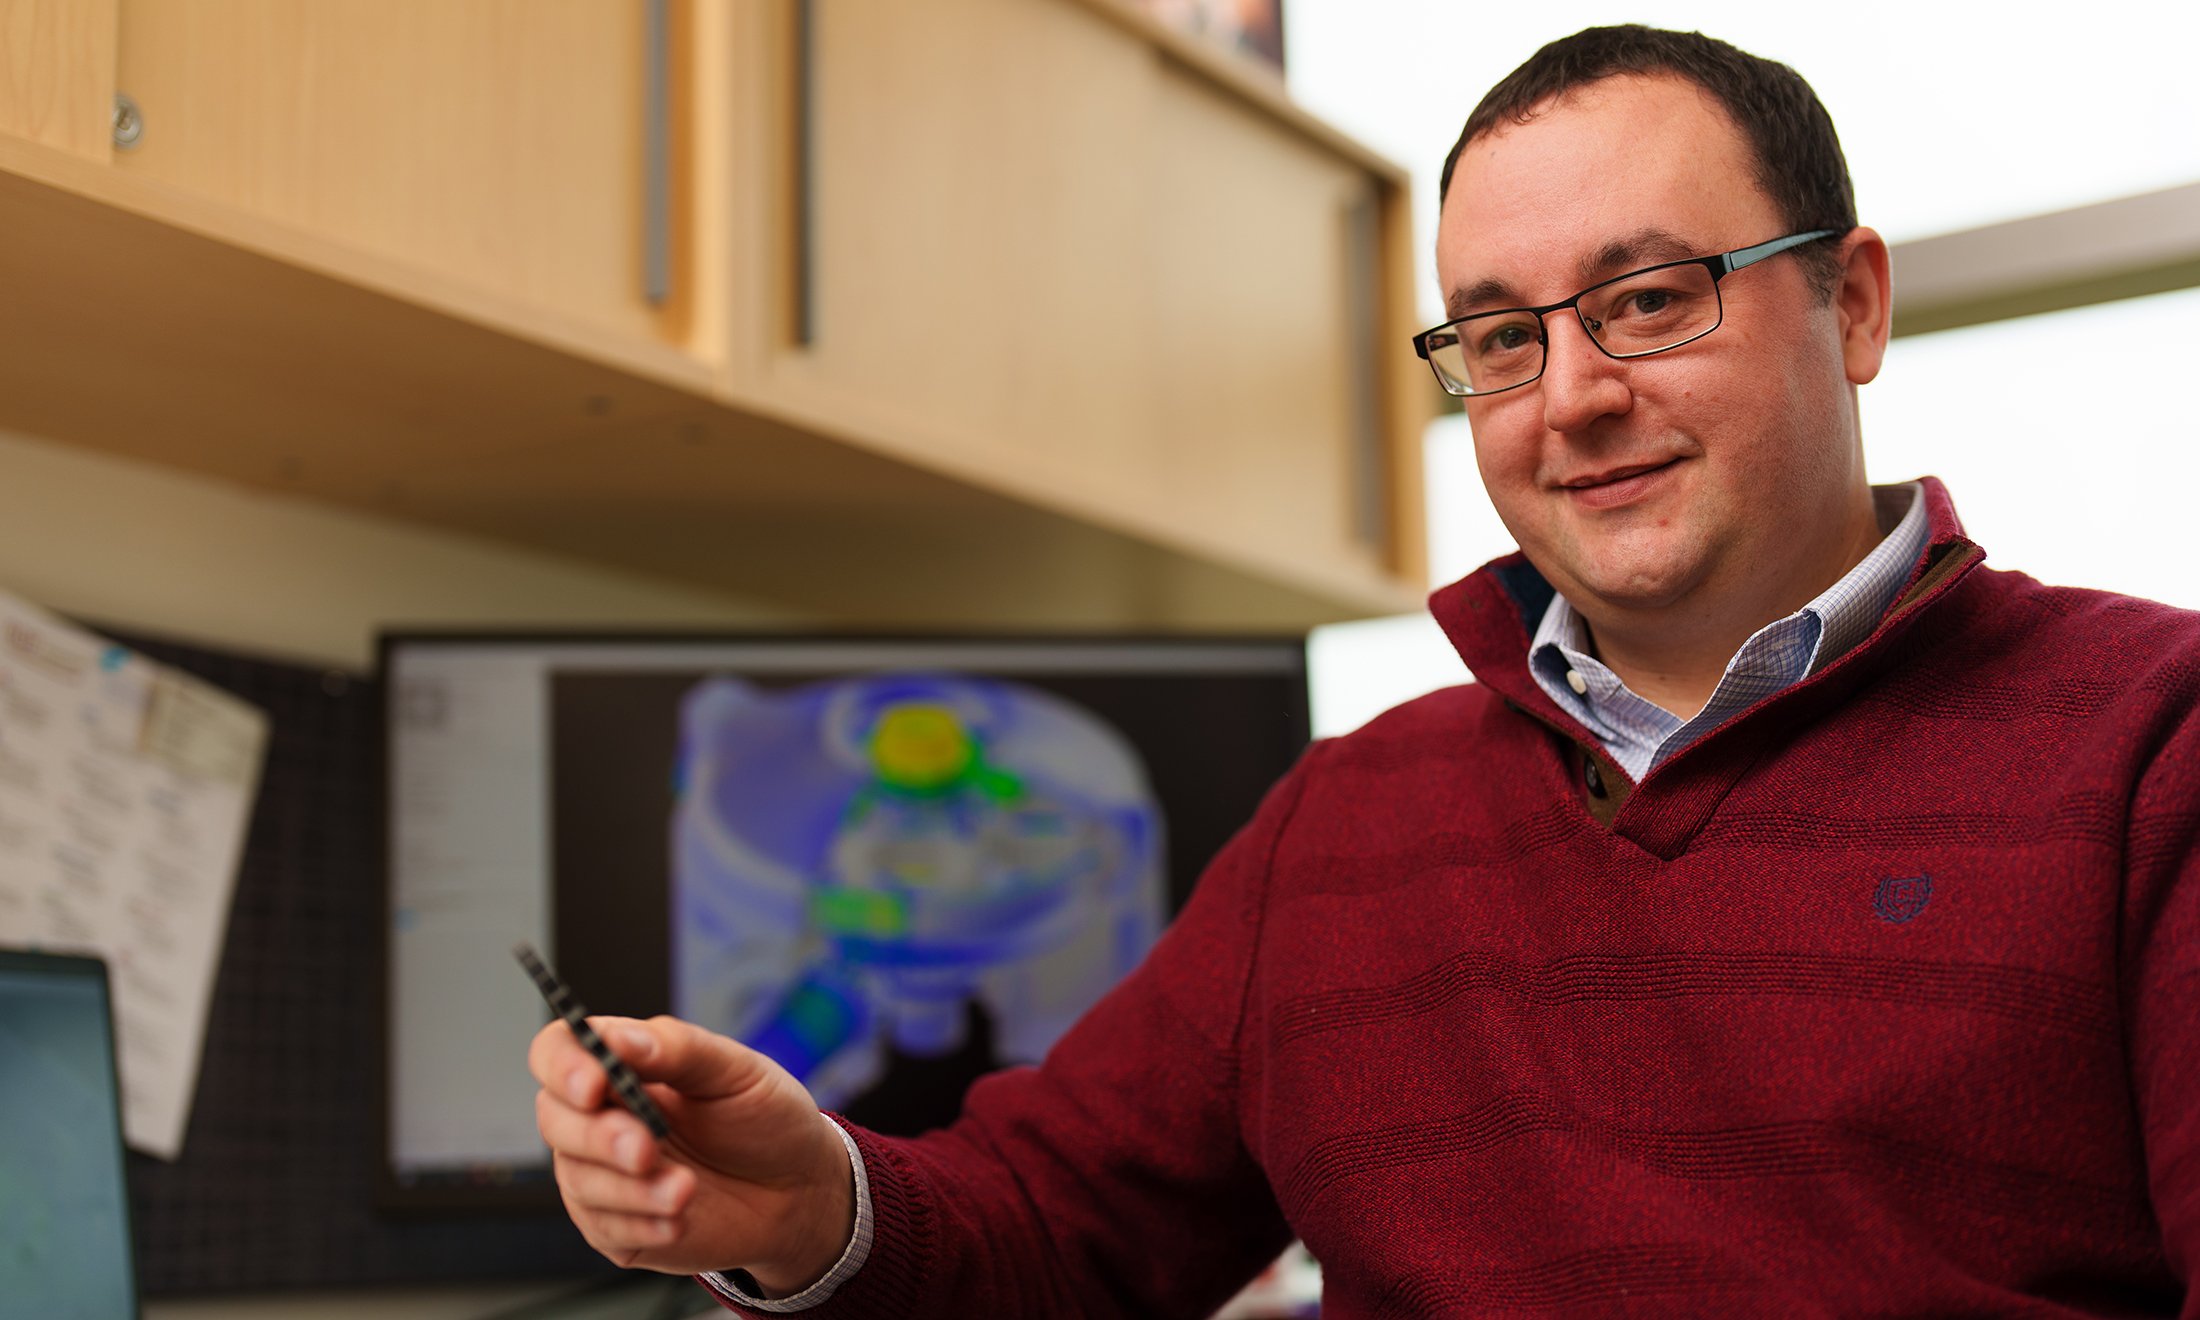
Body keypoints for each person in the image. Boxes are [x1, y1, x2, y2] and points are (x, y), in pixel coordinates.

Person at [530, 25, 2199, 1317]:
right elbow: (1063, 1234)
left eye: (1647, 298)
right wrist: (815, 1203)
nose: (1571, 395)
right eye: (1498, 338)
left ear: (1849, 303)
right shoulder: (1352, 813)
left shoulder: (2153, 743)